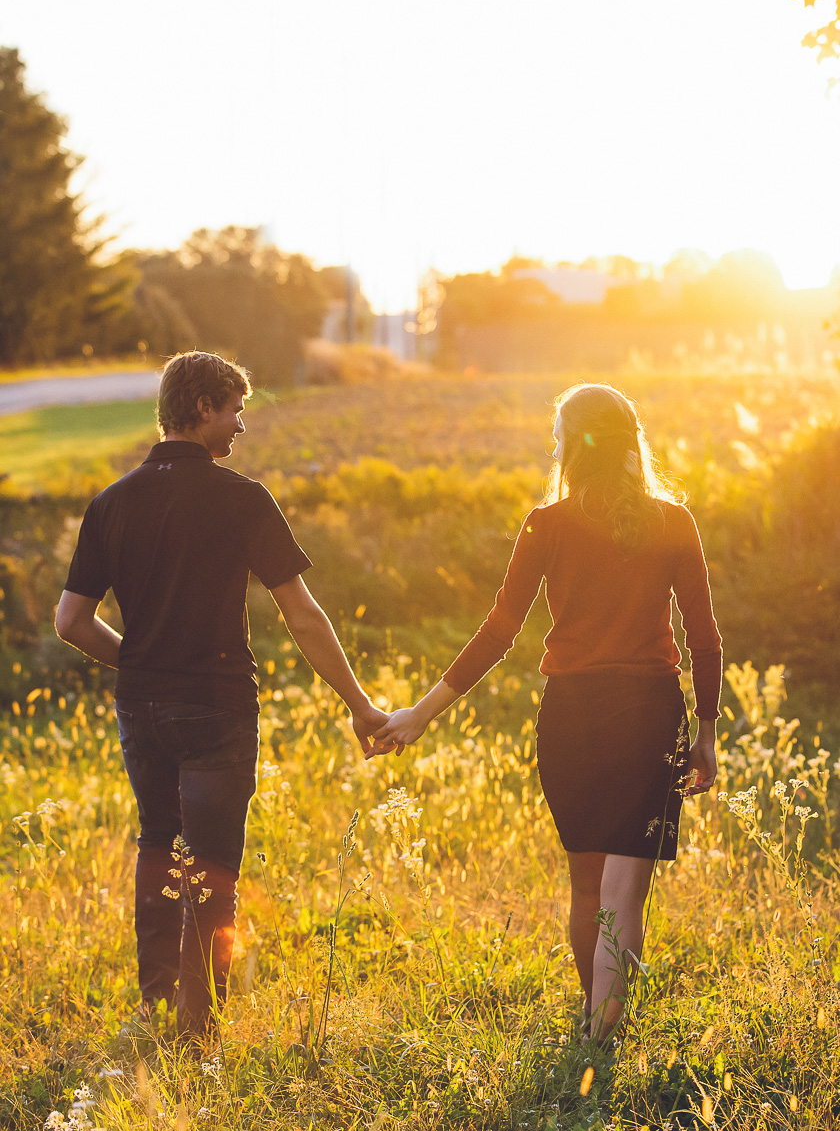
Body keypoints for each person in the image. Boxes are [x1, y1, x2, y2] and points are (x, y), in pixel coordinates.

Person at [372, 382, 721, 1043]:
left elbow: (499, 631)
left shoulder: (546, 525)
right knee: (625, 889)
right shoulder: (673, 521)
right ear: (630, 441)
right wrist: (706, 730)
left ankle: (595, 1024)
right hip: (649, 714)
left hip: (572, 715)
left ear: (570, 444)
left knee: (586, 886)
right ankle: (602, 1035)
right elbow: (704, 635)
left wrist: (423, 711)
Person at [55, 351, 387, 1040]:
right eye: (235, 409)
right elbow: (302, 615)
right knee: (211, 865)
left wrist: (141, 662)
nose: (240, 426)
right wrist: (361, 704)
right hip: (217, 708)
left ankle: (154, 1007)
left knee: (157, 846)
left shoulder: (110, 503)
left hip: (143, 707)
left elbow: (71, 622)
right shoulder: (243, 499)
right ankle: (197, 1029)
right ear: (203, 407)